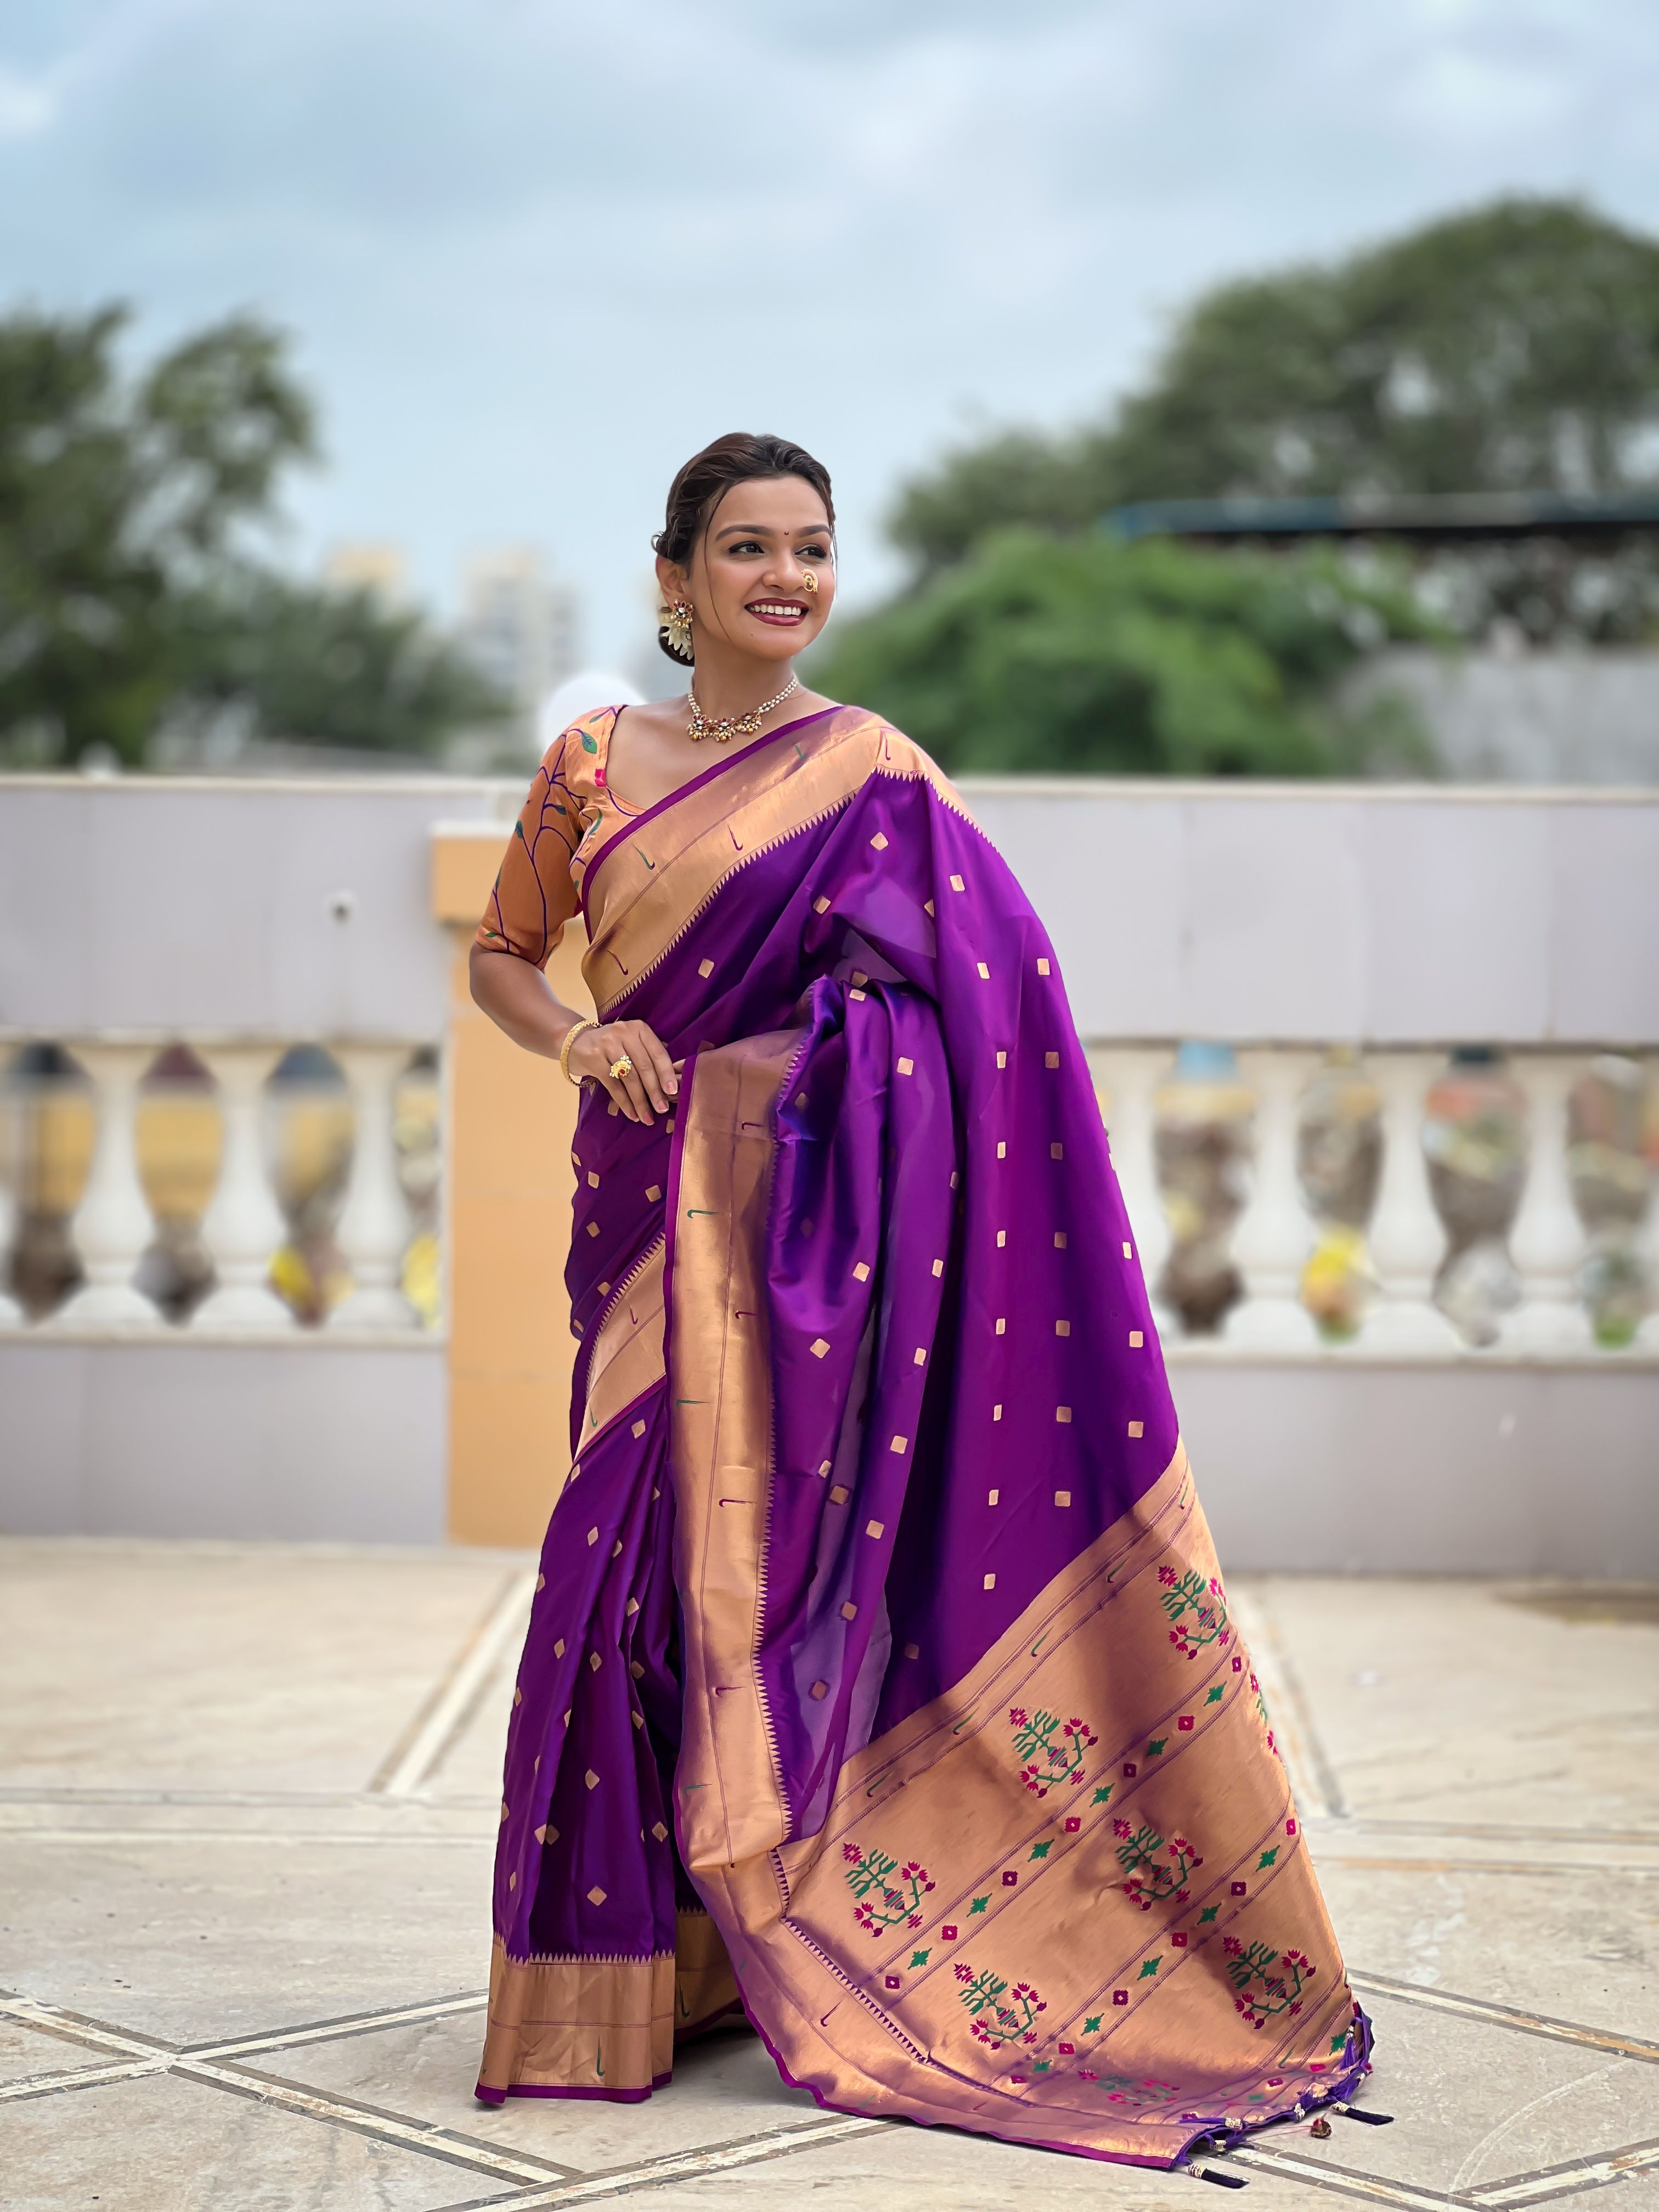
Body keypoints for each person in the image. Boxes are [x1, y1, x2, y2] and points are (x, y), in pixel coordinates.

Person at [467, 432, 1376, 2169]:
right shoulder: (587, 764)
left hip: (787, 1233)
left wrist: (782, 1080)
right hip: (642, 1225)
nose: (786, 577)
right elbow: (503, 960)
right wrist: (582, 1040)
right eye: (748, 547)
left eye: (812, 547)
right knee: (614, 1583)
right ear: (675, 579)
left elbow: (979, 1008)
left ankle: (764, 1932)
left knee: (759, 1586)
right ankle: (628, 1983)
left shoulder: (875, 775)